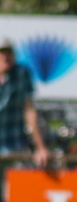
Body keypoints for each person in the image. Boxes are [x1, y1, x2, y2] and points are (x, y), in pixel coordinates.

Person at [0, 37, 49, 167]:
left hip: (13, 145)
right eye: (1, 53)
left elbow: (29, 111)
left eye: (8, 52)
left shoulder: (22, 73)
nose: (5, 57)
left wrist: (40, 147)